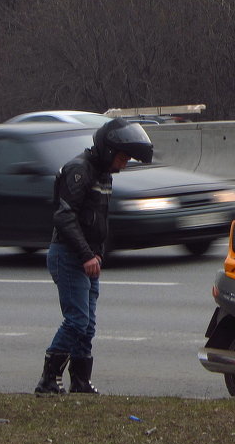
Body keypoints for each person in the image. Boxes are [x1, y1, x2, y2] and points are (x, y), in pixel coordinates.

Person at [34, 117, 154, 395]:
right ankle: (48, 379)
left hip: (88, 256)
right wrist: (88, 255)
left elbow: (98, 220)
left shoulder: (103, 174)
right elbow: (64, 218)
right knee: (76, 320)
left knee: (87, 325)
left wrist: (97, 254)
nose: (125, 164)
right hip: (69, 254)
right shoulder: (79, 171)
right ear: (109, 150)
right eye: (123, 157)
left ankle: (80, 381)